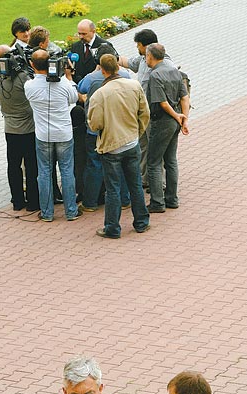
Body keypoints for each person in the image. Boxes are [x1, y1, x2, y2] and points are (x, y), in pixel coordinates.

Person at [88, 54, 150, 239]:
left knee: (113, 189)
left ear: (103, 70)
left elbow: (94, 124)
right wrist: (136, 132)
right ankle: (141, 222)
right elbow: (144, 113)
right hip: (132, 142)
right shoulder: (134, 85)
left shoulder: (100, 94)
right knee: (135, 184)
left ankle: (113, 228)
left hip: (111, 147)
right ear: (117, 67)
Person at [24, 49, 81, 222]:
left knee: (44, 172)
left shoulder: (29, 85)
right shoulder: (63, 83)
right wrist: (68, 77)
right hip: (63, 133)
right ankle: (71, 211)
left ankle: (47, 213)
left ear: (32, 65)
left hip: (43, 135)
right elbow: (73, 99)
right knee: (67, 171)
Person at [78, 43, 131, 212]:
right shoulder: (125, 75)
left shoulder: (91, 77)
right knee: (121, 164)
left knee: (94, 164)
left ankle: (90, 203)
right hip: (119, 127)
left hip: (95, 129)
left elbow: (80, 89)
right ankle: (124, 200)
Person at [119, 29, 173, 189]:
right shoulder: (143, 59)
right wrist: (113, 58)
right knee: (143, 145)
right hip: (142, 111)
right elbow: (130, 63)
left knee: (156, 148)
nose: (137, 48)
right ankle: (145, 178)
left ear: (146, 47)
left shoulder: (165, 64)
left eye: (138, 45)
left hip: (155, 112)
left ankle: (159, 183)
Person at [0, 45, 39, 212]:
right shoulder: (23, 78)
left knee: (13, 166)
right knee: (32, 166)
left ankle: (17, 201)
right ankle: (33, 202)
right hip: (28, 130)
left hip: (10, 130)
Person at [145, 43, 189, 213]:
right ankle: (172, 198)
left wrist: (176, 116)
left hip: (163, 121)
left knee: (154, 162)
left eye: (146, 56)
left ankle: (157, 202)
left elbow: (162, 102)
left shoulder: (155, 75)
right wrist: (183, 119)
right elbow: (184, 97)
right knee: (171, 160)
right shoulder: (174, 71)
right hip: (175, 121)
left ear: (150, 56)